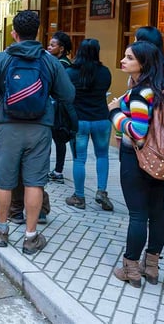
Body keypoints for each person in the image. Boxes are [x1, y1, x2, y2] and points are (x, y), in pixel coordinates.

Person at [0, 10, 75, 255]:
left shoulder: (2, 59)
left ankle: (1, 230)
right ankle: (31, 237)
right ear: (38, 32)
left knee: (3, 180)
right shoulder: (49, 60)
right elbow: (68, 94)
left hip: (7, 126)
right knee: (34, 182)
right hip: (40, 128)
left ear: (14, 33)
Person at [109, 41, 164, 288]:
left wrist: (114, 114)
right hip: (160, 160)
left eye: (129, 57)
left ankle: (131, 268)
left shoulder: (141, 94)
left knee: (138, 214)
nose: (123, 60)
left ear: (143, 63)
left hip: (137, 158)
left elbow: (138, 131)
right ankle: (151, 267)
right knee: (157, 213)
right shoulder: (160, 89)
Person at [65, 39, 113, 211]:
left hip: (80, 121)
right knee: (102, 156)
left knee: (79, 159)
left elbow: (67, 93)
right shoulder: (105, 72)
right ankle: (101, 191)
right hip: (101, 119)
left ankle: (79, 196)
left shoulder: (70, 72)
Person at [47, 31, 73, 184]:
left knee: (58, 139)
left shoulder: (62, 65)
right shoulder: (57, 62)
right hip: (55, 106)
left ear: (61, 48)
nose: (49, 47)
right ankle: (55, 169)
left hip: (58, 108)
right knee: (55, 140)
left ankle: (57, 170)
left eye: (53, 45)